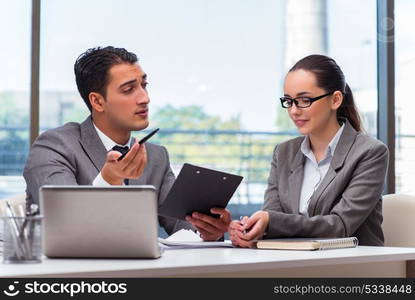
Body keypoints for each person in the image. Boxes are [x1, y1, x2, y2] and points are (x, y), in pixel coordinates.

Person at [23, 46, 230, 241]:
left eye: (144, 85)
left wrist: (208, 231)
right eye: (129, 89)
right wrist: (107, 181)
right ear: (97, 101)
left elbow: (185, 228)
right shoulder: (53, 146)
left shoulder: (156, 157)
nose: (144, 98)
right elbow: (62, 218)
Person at [229, 54, 389, 247]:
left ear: (335, 100)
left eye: (304, 100)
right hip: (292, 261)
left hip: (351, 265)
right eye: (289, 101)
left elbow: (340, 226)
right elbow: (273, 215)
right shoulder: (284, 152)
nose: (294, 111)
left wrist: (271, 222)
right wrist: (251, 230)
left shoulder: (370, 152)